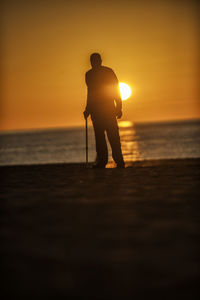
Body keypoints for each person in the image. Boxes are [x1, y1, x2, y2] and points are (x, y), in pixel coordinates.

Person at [83, 53, 125, 168]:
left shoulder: (107, 72)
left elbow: (115, 89)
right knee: (101, 138)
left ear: (100, 61)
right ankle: (103, 162)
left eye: (96, 60)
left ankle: (119, 161)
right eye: (93, 61)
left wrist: (119, 106)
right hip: (98, 112)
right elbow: (90, 93)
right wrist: (88, 109)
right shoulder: (89, 75)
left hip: (108, 110)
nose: (95, 63)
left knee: (113, 137)